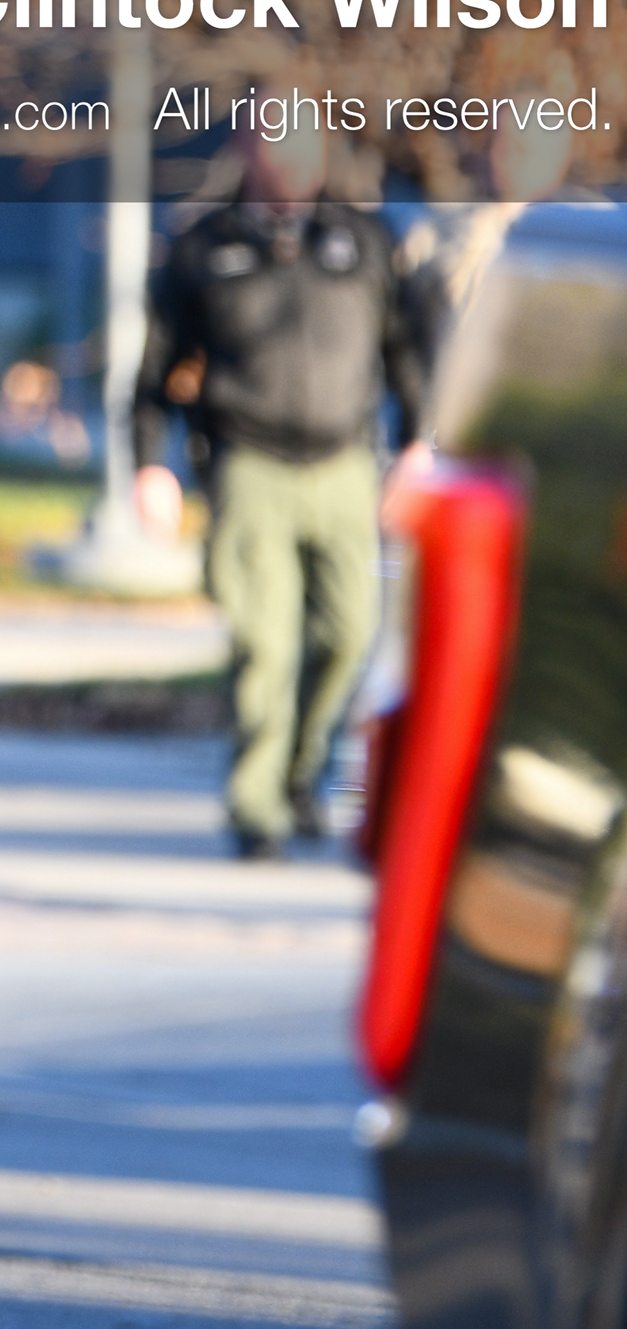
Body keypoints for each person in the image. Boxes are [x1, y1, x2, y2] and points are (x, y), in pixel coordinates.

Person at [134, 100, 436, 861]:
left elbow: (404, 353)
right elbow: (154, 371)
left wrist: (417, 443)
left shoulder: (362, 239)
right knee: (264, 643)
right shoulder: (205, 246)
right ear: (248, 147)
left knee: (348, 635)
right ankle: (256, 807)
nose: (290, 158)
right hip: (248, 464)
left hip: (345, 466)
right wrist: (150, 465)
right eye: (275, 141)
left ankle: (306, 772)